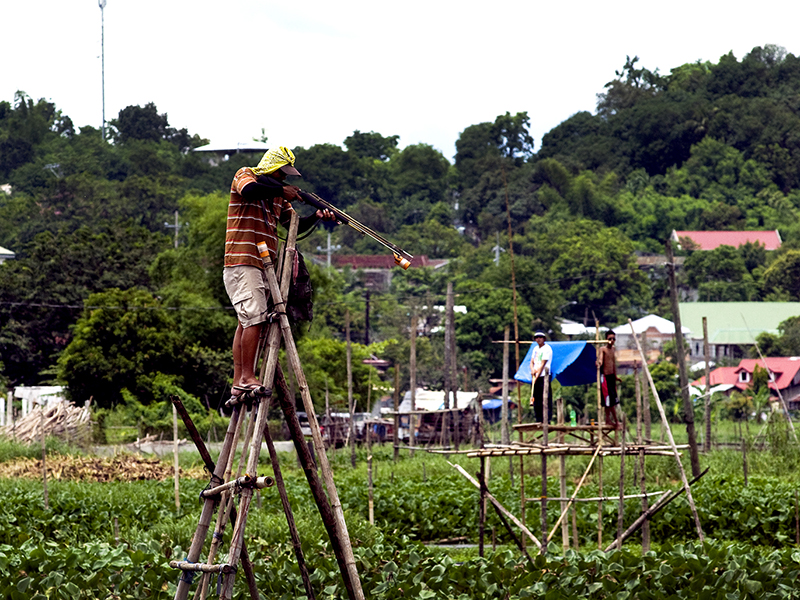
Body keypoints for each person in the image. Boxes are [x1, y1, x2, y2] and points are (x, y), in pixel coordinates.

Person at [223, 146, 334, 396]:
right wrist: (281, 190)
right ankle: (246, 377)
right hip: (243, 260)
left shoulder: (278, 197)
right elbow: (251, 190)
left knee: (249, 319)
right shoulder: (246, 174)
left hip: (264, 264)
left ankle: (242, 378)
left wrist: (316, 216)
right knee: (253, 317)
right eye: (281, 174)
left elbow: (293, 225)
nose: (284, 179)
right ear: (271, 168)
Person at [596, 330, 620, 429]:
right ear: (606, 340)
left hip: (611, 377)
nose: (612, 341)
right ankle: (615, 420)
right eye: (610, 339)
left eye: (613, 339)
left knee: (612, 399)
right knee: (608, 399)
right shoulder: (603, 349)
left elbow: (613, 363)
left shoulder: (613, 349)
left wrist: (615, 376)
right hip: (604, 376)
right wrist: (599, 362)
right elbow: (601, 359)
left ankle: (608, 419)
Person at [529, 330, 553, 423]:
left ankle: (547, 419)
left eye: (540, 337)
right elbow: (532, 361)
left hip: (544, 375)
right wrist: (532, 371)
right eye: (536, 338)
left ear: (544, 339)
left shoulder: (547, 349)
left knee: (545, 397)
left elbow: (543, 364)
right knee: (536, 397)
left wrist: (537, 375)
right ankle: (538, 418)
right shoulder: (535, 349)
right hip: (536, 375)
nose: (538, 339)